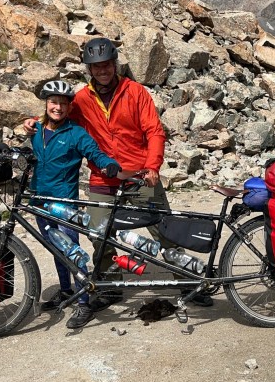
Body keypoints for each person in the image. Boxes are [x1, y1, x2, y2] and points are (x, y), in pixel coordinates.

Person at [25, 37, 212, 306]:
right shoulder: (82, 99)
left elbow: (154, 131)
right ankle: (111, 288)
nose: (102, 70)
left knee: (165, 230)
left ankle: (188, 282)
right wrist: (32, 122)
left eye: (106, 65)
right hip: (103, 179)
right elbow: (57, 115)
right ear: (89, 69)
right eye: (96, 66)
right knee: (98, 234)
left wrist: (152, 166)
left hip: (139, 175)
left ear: (114, 64)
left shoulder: (135, 92)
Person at [31, 78, 122, 329]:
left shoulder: (76, 133)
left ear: (69, 106)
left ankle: (84, 303)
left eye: (63, 103)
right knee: (55, 248)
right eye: (53, 102)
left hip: (64, 202)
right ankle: (65, 291)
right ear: (46, 103)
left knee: (72, 250)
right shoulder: (36, 129)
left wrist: (108, 164)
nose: (58, 107)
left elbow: (94, 152)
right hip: (39, 200)